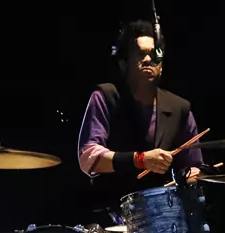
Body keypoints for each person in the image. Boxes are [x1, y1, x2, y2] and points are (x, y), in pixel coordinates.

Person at [77, 20, 203, 193]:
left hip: (165, 211)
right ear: (123, 64)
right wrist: (140, 159)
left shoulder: (179, 108)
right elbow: (88, 158)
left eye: (153, 55)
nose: (148, 60)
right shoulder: (106, 97)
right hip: (114, 209)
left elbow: (194, 166)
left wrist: (193, 176)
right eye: (140, 54)